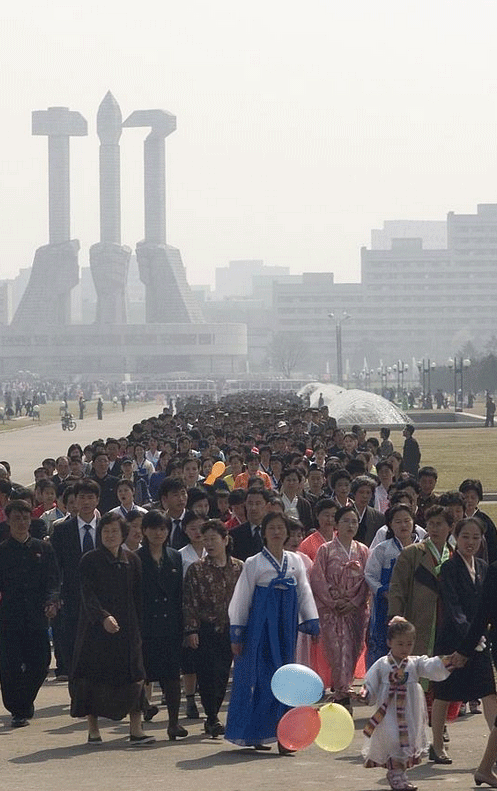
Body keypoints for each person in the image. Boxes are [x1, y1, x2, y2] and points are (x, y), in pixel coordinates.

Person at [225, 510, 319, 751]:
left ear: (287, 532)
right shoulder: (253, 563)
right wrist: (238, 631)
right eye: (271, 528)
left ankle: (286, 736)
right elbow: (241, 599)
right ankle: (258, 732)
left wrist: (311, 620)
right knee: (263, 677)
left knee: (288, 677)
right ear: (264, 534)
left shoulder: (296, 561)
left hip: (286, 625)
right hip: (261, 627)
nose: (277, 532)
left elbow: (304, 592)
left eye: (280, 528)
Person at [69, 513, 154, 745]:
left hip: (128, 630)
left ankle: (136, 729)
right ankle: (93, 729)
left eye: (114, 531)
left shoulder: (132, 560)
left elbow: (138, 597)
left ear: (123, 534)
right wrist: (103, 616)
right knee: (93, 679)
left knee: (135, 676)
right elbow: (87, 594)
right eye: (105, 531)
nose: (109, 535)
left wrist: (140, 628)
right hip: (95, 631)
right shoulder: (90, 560)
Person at [430, 517, 497, 765]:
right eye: (465, 537)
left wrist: (481, 636)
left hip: (478, 641)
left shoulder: (483, 566)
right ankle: (437, 745)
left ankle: (494, 747)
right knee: (445, 693)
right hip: (453, 641)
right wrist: (470, 636)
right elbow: (453, 607)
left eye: (476, 537)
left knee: (489, 693)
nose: (471, 542)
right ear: (456, 538)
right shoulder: (448, 568)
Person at [360, 617, 451, 791]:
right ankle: (396, 776)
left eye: (409, 644)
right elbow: (370, 682)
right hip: (389, 713)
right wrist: (365, 693)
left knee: (406, 741)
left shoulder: (415, 663)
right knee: (393, 739)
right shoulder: (382, 664)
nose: (405, 649)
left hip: (410, 711)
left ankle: (399, 775)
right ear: (389, 642)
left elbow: (432, 666)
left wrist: (449, 661)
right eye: (400, 644)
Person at [0, 499, 59, 727]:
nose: (21, 523)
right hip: (9, 618)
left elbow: (53, 580)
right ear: (8, 521)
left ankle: (25, 700)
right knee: (10, 666)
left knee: (41, 662)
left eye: (25, 518)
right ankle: (17, 709)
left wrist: (52, 601)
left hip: (36, 616)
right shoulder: (3, 551)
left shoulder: (43, 549)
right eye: (17, 518)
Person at [183, 520, 243, 737]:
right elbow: (189, 601)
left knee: (222, 675)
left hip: (231, 630)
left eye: (213, 539)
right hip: (206, 630)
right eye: (205, 539)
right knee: (207, 675)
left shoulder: (239, 567)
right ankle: (212, 717)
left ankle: (213, 715)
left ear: (225, 540)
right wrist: (191, 630)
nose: (209, 544)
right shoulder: (196, 569)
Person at [310, 504, 370, 712]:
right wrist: (333, 602)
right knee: (336, 651)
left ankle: (344, 689)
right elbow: (317, 578)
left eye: (354, 521)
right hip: (332, 610)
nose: (350, 525)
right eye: (346, 521)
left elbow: (366, 581)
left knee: (353, 650)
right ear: (336, 525)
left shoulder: (363, 550)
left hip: (355, 610)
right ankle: (342, 694)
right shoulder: (325, 550)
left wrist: (354, 601)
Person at [136, 510, 187, 740]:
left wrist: (184, 626)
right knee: (140, 675)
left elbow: (179, 594)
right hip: (145, 626)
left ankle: (174, 723)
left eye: (163, 528)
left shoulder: (175, 556)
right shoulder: (136, 558)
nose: (159, 533)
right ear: (144, 531)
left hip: (170, 626)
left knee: (172, 677)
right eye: (154, 528)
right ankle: (141, 714)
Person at [365, 504, 422, 668]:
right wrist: (382, 591)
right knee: (384, 642)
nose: (403, 525)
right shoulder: (383, 549)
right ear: (390, 524)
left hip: (416, 604)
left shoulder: (422, 547)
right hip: (386, 605)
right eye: (398, 522)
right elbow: (370, 574)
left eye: (407, 520)